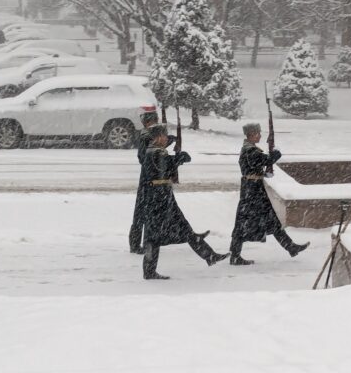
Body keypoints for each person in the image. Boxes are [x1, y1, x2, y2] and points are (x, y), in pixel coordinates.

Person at [141, 125, 228, 279]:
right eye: (165, 135)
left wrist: (177, 155)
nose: (166, 138)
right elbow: (164, 167)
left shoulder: (154, 150)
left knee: (182, 229)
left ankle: (209, 255)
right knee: (154, 237)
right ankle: (149, 271)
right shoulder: (155, 153)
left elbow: (167, 164)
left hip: (162, 197)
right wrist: (179, 158)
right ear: (158, 137)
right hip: (158, 199)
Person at [229, 123, 310, 265]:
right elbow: (262, 160)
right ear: (252, 134)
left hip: (253, 190)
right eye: (258, 133)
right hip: (252, 193)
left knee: (269, 220)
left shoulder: (251, 149)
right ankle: (235, 256)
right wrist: (274, 156)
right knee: (244, 223)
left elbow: (256, 166)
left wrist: (265, 171)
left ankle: (290, 247)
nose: (260, 135)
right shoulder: (250, 150)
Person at [128, 111, 174, 254]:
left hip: (149, 180)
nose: (156, 123)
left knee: (144, 213)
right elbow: (144, 157)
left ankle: (142, 243)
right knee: (141, 213)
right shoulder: (145, 137)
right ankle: (136, 244)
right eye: (153, 121)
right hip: (147, 180)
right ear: (148, 123)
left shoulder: (149, 135)